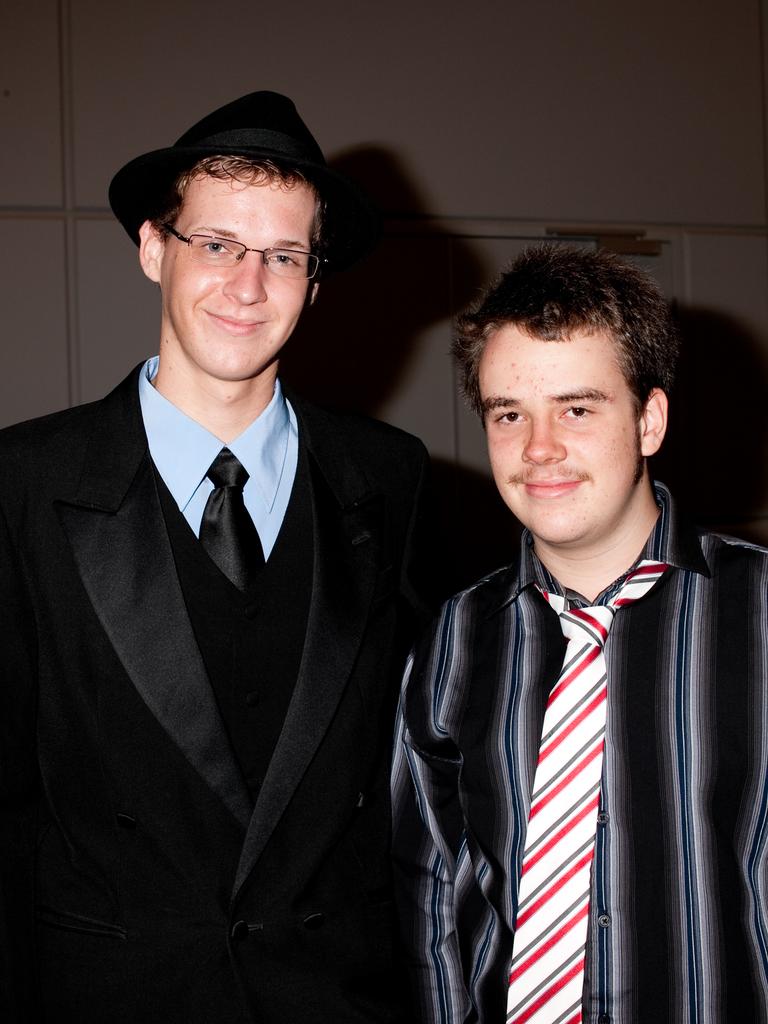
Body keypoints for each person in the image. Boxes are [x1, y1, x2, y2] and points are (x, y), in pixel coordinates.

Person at [0, 90, 430, 1023]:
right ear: (154, 249)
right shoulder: (21, 481)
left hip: (335, 1000)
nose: (249, 285)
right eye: (218, 245)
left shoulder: (393, 478)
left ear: (316, 282)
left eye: (283, 256)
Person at [392, 244, 768, 1023]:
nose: (538, 450)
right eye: (509, 414)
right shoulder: (454, 639)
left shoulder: (762, 613)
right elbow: (427, 889)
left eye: (577, 408)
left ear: (650, 419)